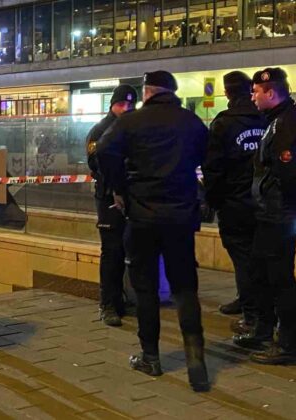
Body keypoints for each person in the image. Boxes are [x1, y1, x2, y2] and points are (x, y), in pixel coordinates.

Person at [96, 70, 210, 392]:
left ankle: (151, 356)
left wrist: (120, 188)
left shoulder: (131, 122)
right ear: (172, 92)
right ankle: (195, 358)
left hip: (143, 215)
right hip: (180, 216)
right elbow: (208, 155)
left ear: (147, 91)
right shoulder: (190, 121)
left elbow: (104, 151)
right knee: (185, 286)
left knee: (145, 287)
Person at [242, 67, 296, 365]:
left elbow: (288, 174)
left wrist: (284, 212)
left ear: (271, 92)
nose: (252, 97)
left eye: (256, 92)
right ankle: (264, 331)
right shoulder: (275, 121)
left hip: (280, 216)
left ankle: (288, 343)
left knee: (280, 280)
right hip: (270, 215)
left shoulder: (286, 124)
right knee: (261, 274)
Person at [203, 71, 268, 332]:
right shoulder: (266, 119)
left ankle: (252, 317)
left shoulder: (223, 123)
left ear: (227, 92)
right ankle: (249, 302)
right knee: (259, 257)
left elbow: (213, 168)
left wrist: (214, 200)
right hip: (262, 201)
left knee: (243, 259)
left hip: (234, 203)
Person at [86, 85, 138, 327]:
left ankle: (120, 298)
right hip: (108, 197)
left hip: (130, 196)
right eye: (122, 104)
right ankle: (108, 303)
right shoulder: (100, 131)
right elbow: (97, 165)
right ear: (112, 104)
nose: (126, 108)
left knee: (128, 249)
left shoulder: (133, 127)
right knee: (112, 250)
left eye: (130, 104)